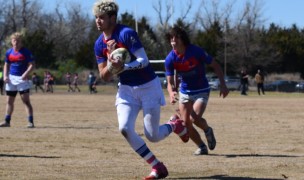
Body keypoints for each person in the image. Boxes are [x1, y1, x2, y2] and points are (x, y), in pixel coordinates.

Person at [92, 1, 189, 179]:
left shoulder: (126, 33)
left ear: (112, 18)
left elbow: (144, 60)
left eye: (102, 17)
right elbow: (104, 76)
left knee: (152, 135)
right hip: (127, 89)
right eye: (96, 17)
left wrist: (123, 66)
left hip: (148, 86)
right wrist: (113, 65)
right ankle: (156, 166)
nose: (98, 21)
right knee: (124, 128)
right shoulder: (99, 44)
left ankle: (174, 125)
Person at [164, 25, 229, 155]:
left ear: (182, 39)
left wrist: (223, 84)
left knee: (194, 119)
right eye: (171, 39)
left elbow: (215, 65)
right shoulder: (170, 58)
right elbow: (169, 82)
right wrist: (171, 93)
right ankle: (201, 146)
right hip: (185, 91)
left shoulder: (196, 51)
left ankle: (207, 130)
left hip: (201, 90)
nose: (173, 42)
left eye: (175, 38)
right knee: (186, 122)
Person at [0, 32, 35, 128]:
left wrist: (25, 74)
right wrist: (5, 76)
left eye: (18, 41)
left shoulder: (26, 52)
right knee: (9, 101)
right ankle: (7, 121)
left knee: (26, 101)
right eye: (14, 40)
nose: (16, 42)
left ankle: (30, 122)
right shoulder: (9, 52)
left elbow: (32, 65)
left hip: (22, 79)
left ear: (21, 42)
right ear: (11, 41)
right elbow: (6, 64)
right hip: (11, 79)